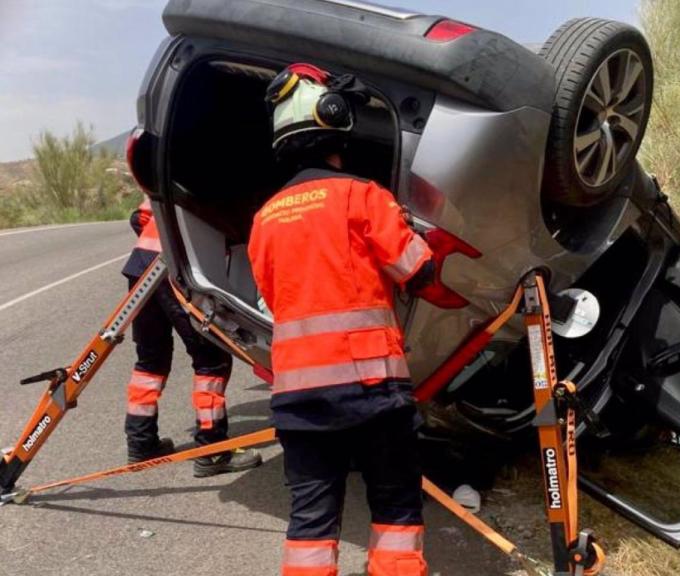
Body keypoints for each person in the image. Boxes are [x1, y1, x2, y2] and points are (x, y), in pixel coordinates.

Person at [249, 63, 441, 576]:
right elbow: (417, 271)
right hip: (371, 388)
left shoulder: (264, 219)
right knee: (395, 509)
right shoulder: (361, 196)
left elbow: (275, 299)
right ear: (335, 121)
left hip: (297, 399)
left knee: (310, 524)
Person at [122, 197, 263, 477]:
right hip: (178, 267)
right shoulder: (220, 182)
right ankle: (212, 451)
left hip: (142, 265)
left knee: (150, 361)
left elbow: (137, 217)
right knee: (212, 359)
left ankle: (141, 443)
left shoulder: (171, 172)